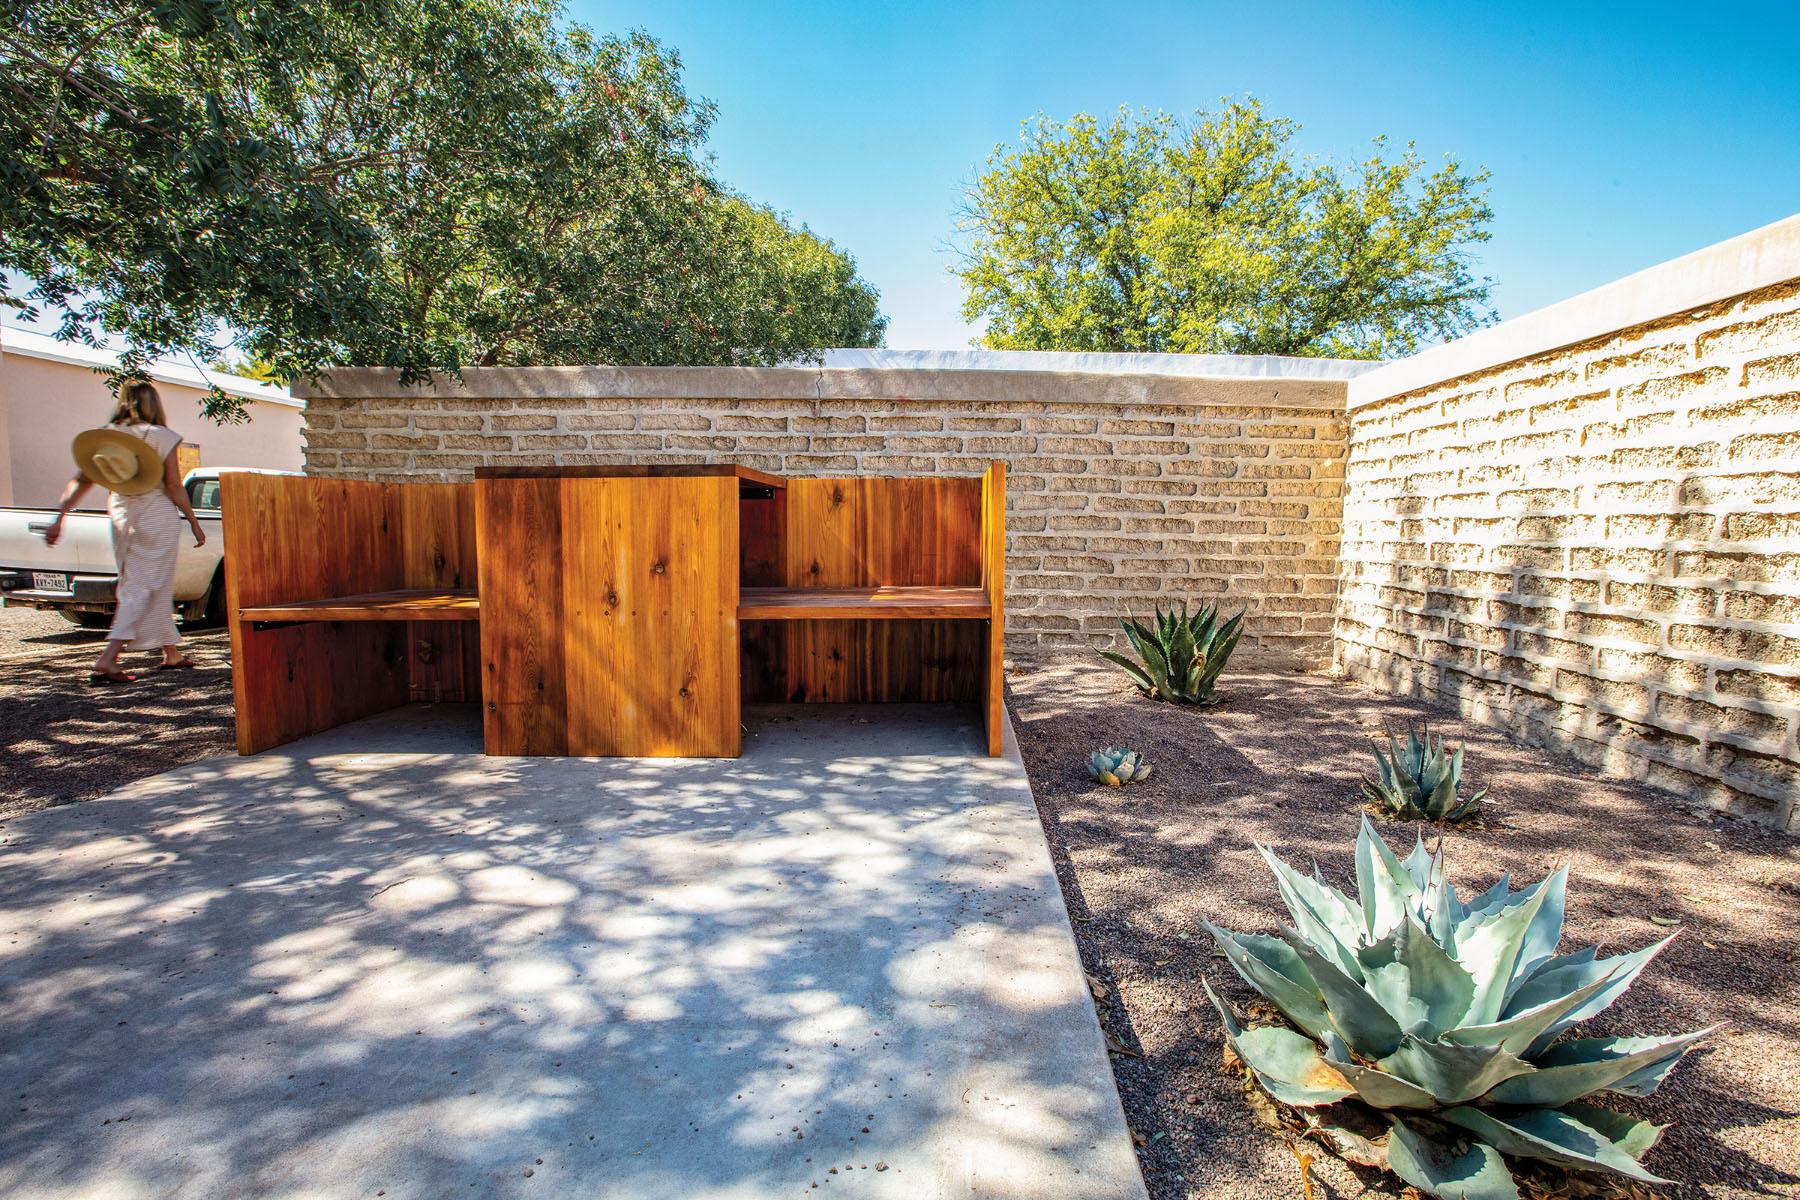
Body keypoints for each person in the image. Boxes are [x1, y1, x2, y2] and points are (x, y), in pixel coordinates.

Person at [45, 381, 208, 684]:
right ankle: (108, 657)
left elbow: (81, 480)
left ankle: (171, 653)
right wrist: (193, 520)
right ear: (154, 404)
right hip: (156, 511)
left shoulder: (108, 436)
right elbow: (173, 484)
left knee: (146, 581)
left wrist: (60, 517)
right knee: (144, 585)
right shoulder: (162, 436)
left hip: (120, 510)